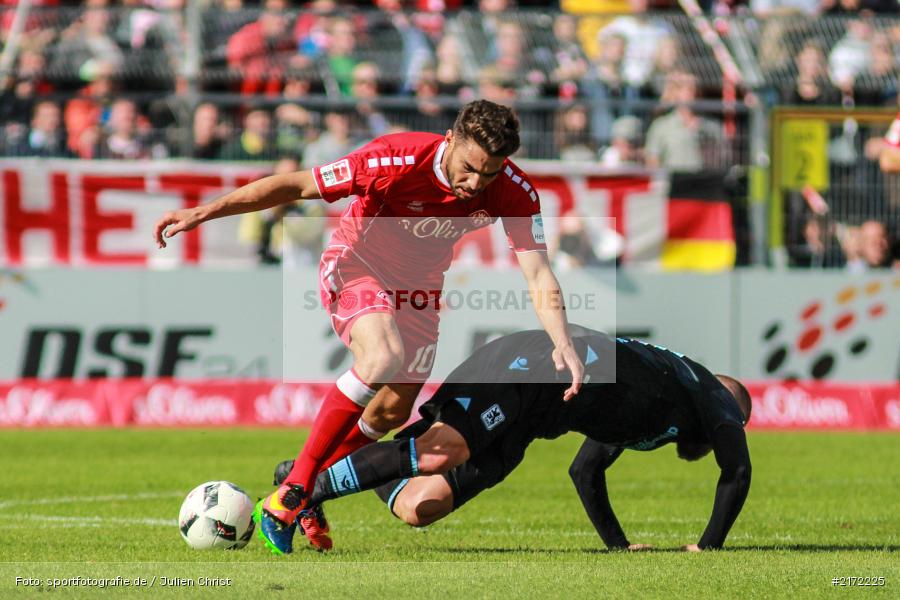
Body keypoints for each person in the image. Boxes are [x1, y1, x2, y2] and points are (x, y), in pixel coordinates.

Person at [153, 100, 584, 553]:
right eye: (470, 167)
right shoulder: (392, 159)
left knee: (391, 413)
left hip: (419, 293)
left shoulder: (514, 190)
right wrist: (202, 213)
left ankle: (297, 480)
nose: (476, 183)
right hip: (357, 266)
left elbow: (537, 272)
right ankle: (294, 495)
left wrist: (563, 342)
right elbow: (295, 186)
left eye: (489, 173)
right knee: (382, 357)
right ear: (450, 139)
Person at [273, 325, 752, 552]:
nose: (724, 435)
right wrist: (708, 547)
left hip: (533, 421)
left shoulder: (658, 408)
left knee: (419, 507)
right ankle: (300, 492)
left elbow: (584, 470)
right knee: (446, 451)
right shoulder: (710, 391)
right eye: (730, 425)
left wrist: (618, 547)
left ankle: (307, 470)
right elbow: (738, 469)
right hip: (533, 367)